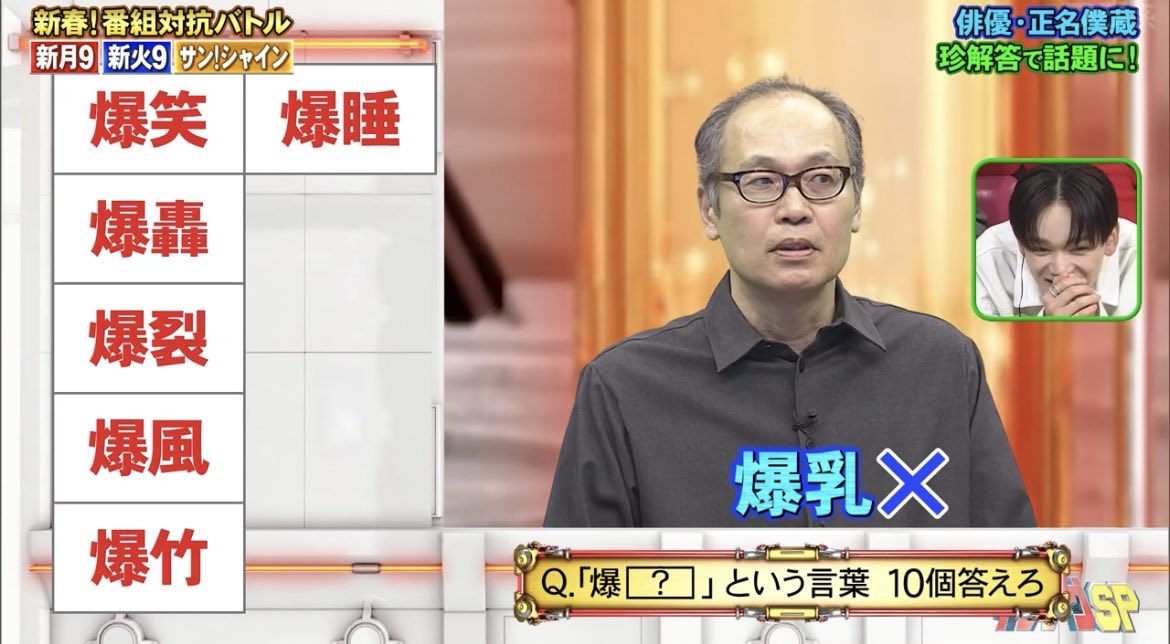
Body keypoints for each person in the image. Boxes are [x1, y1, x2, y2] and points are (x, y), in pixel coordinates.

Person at [543, 76, 1035, 528]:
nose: (795, 209)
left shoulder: (942, 365)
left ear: (856, 203)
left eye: (822, 179)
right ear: (709, 210)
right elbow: (576, 589)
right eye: (760, 181)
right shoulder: (624, 388)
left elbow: (1018, 576)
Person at [975, 164, 1138, 317]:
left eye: (1079, 249)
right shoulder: (985, 258)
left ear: (1111, 239)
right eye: (1041, 249)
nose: (1060, 269)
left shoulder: (1143, 255)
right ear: (1021, 243)